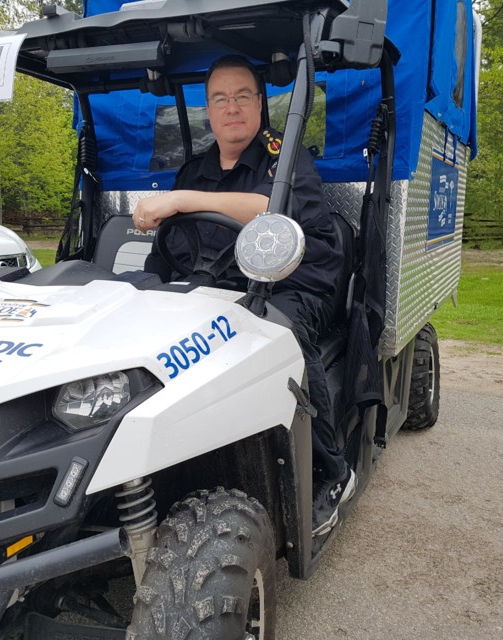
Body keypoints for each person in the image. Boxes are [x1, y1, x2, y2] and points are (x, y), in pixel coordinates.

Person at [132, 55, 355, 537]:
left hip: (293, 284)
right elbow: (172, 245)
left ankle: (333, 471)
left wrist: (182, 200)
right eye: (220, 99)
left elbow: (267, 209)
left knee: (280, 334)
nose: (231, 107)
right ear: (208, 111)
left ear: (259, 103)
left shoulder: (284, 155)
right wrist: (150, 287)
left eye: (241, 96)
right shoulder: (196, 168)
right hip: (216, 288)